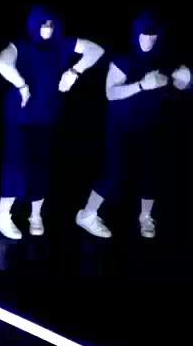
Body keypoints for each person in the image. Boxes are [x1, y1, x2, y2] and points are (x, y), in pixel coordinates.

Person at [0, 6, 104, 239]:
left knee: (42, 166)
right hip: (20, 116)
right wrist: (22, 85)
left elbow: (96, 50)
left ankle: (35, 215)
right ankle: (2, 216)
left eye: (51, 24)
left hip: (47, 115)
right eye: (43, 24)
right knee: (15, 165)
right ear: (34, 25)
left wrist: (74, 71)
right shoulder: (21, 45)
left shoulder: (62, 44)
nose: (47, 29)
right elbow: (2, 63)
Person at [75, 14, 189, 239]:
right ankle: (87, 215)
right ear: (136, 34)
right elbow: (110, 93)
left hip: (153, 126)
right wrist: (141, 85)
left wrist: (185, 81)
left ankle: (145, 217)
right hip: (121, 128)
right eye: (144, 34)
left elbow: (179, 84)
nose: (148, 40)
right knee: (113, 173)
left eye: (153, 35)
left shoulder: (166, 60)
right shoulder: (123, 60)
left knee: (151, 172)